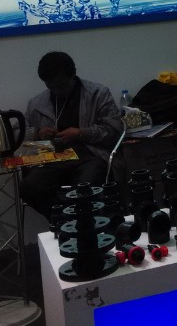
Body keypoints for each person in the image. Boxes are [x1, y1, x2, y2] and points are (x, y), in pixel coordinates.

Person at [20, 51, 124, 221]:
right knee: (28, 187)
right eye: (50, 87)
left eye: (61, 86)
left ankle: (75, 219)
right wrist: (38, 133)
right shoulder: (37, 104)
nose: (56, 91)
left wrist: (81, 133)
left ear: (73, 75)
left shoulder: (97, 94)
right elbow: (22, 136)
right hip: (54, 157)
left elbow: (114, 130)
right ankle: (65, 219)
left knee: (84, 187)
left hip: (91, 154)